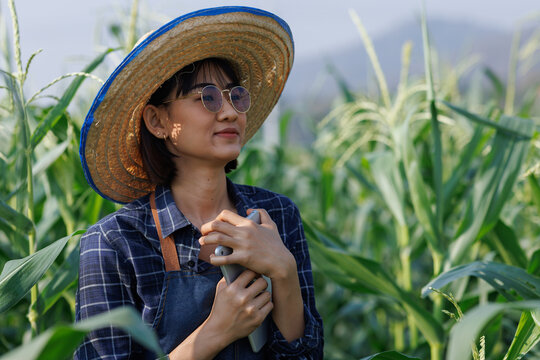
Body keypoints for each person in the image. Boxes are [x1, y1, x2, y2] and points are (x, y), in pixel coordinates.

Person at [75, 6, 323, 360]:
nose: (228, 111)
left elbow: (308, 356)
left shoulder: (278, 216)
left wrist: (283, 271)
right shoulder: (114, 244)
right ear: (157, 121)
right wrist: (215, 332)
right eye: (206, 97)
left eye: (235, 95)